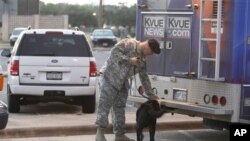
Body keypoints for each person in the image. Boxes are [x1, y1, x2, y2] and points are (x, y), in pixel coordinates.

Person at [95, 38, 161, 141]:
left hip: (122, 83)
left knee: (119, 108)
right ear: (148, 46)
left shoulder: (142, 60)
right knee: (105, 106)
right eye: (151, 52)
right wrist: (130, 60)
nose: (151, 54)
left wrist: (151, 95)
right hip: (109, 78)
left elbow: (144, 78)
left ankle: (119, 135)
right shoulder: (129, 44)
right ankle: (99, 134)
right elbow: (113, 54)